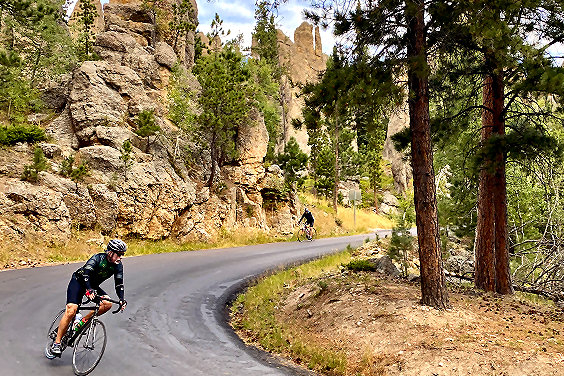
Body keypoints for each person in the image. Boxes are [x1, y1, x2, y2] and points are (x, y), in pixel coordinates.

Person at [49, 239, 128, 357]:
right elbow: (86, 274)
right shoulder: (97, 258)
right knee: (71, 310)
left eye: (123, 254)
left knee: (107, 304)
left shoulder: (117, 266)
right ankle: (57, 343)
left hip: (93, 286)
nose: (121, 257)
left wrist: (121, 299)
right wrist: (89, 290)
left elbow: (119, 284)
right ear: (110, 252)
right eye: (119, 254)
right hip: (79, 282)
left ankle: (81, 322)